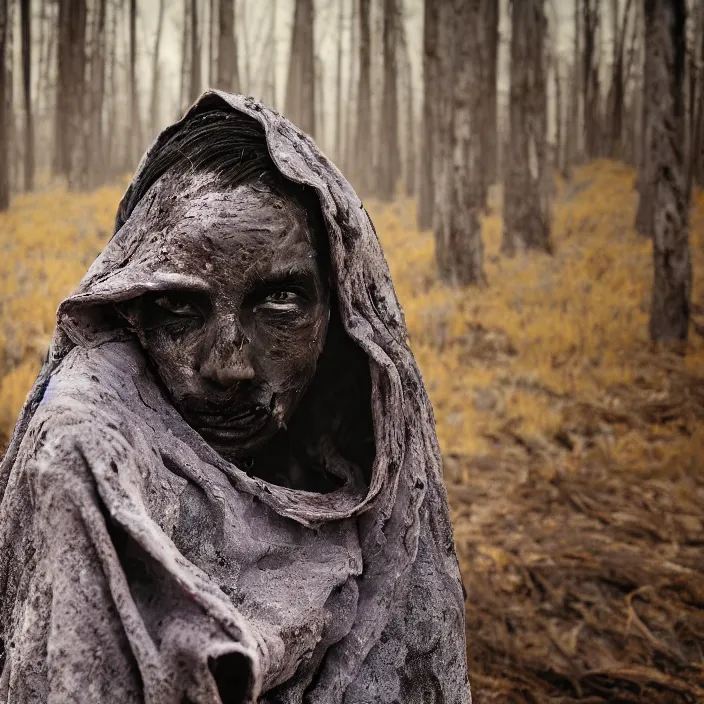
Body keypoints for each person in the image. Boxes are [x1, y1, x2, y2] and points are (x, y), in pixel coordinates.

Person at [0, 91, 469, 704]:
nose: (230, 366)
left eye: (279, 302)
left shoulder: (369, 451)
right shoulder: (86, 455)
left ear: (340, 311)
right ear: (132, 307)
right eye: (178, 304)